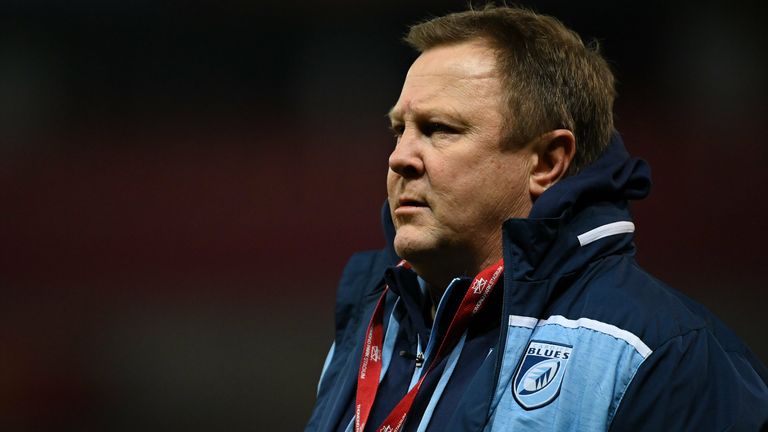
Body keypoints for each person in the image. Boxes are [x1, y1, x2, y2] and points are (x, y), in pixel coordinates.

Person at [306, 5, 768, 431]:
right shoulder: (374, 323)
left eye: (439, 129)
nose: (399, 157)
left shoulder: (664, 355)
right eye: (398, 130)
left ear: (547, 162)